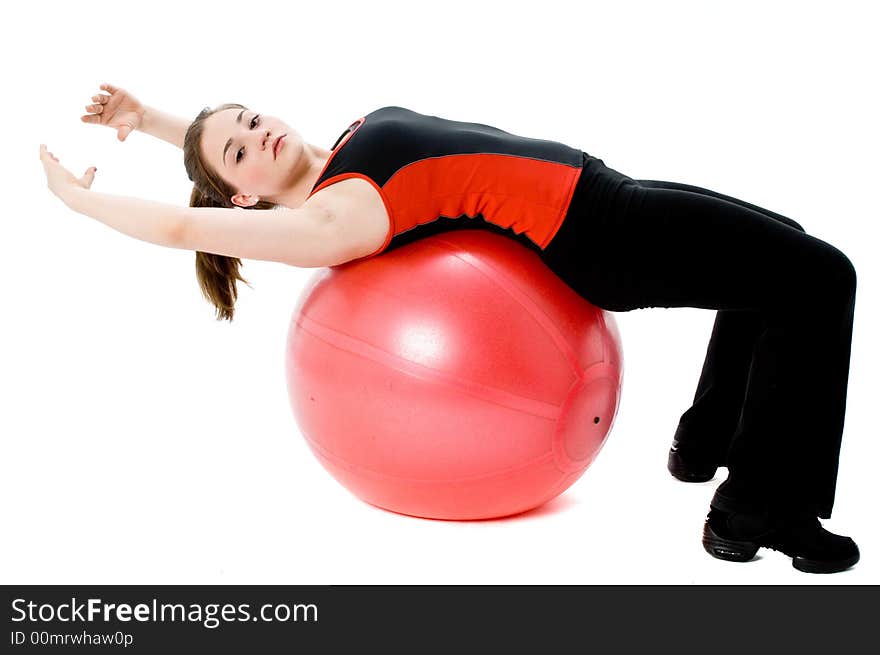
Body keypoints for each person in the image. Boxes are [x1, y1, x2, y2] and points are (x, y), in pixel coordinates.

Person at [40, 83, 860, 574]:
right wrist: (82, 202)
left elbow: (215, 154)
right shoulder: (337, 217)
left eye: (251, 118)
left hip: (606, 190)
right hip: (601, 234)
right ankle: (758, 512)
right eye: (240, 149)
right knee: (822, 278)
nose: (258, 133)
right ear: (243, 197)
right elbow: (189, 227)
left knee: (783, 249)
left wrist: (149, 118)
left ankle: (705, 440)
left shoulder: (339, 155)